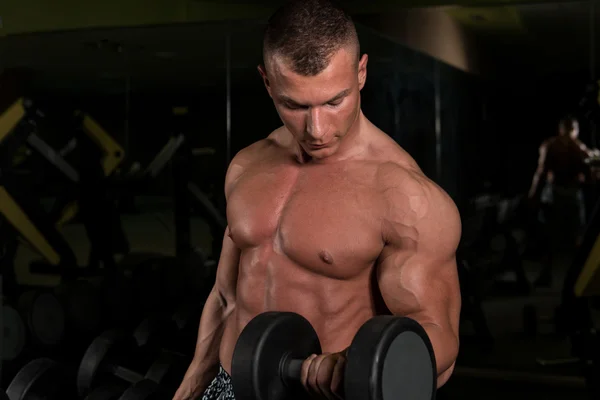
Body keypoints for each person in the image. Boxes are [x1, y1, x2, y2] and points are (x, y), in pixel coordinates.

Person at [173, 1, 461, 399]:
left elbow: (437, 336)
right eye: (295, 105)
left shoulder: (403, 195)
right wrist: (190, 388)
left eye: (333, 101)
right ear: (267, 82)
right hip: (230, 386)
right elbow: (226, 297)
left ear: (361, 73)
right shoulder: (247, 166)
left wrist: (353, 361)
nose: (317, 129)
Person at [527, 115, 591, 286]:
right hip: (570, 193)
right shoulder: (579, 147)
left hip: (555, 193)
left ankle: (547, 274)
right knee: (576, 236)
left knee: (551, 236)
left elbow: (541, 172)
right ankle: (578, 277)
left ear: (561, 129)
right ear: (575, 130)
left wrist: (533, 194)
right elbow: (590, 174)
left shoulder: (551, 145)